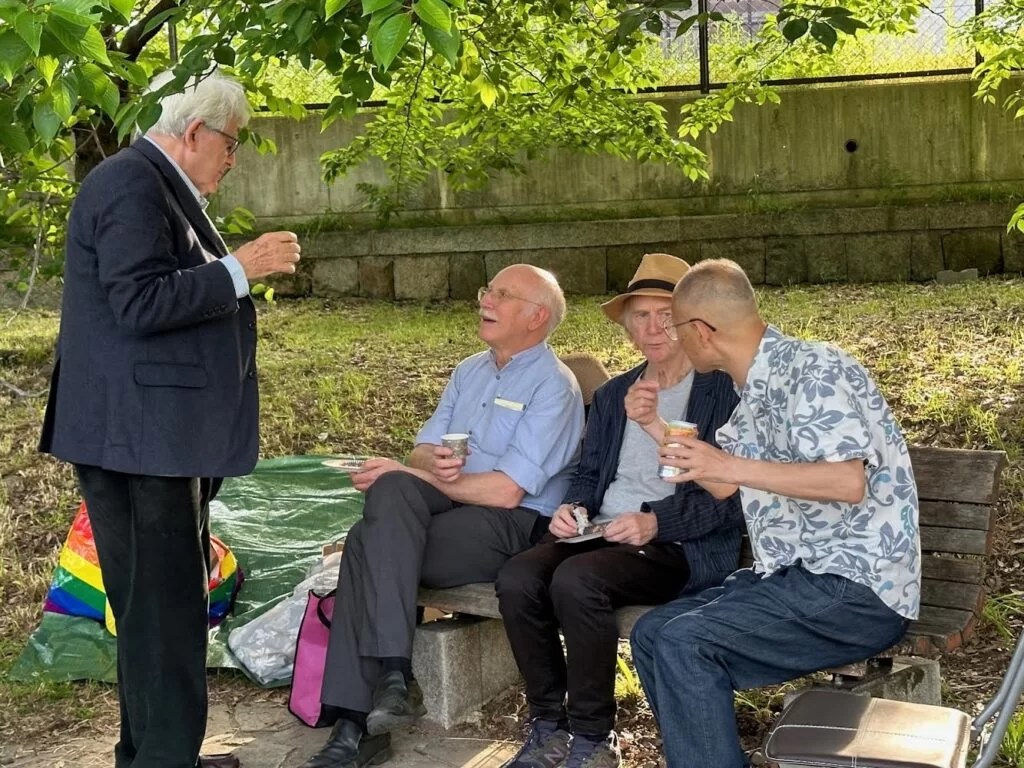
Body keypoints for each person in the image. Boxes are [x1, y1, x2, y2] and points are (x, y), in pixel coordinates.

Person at [38, 68, 302, 768]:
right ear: (194, 132)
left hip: (146, 436)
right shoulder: (132, 184)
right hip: (140, 441)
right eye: (232, 142)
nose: (234, 157)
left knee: (155, 612)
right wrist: (240, 269)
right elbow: (140, 302)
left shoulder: (150, 182)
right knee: (166, 613)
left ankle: (153, 753)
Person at [630, 258, 921, 768]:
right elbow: (723, 484)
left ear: (701, 331)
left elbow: (846, 482)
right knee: (653, 634)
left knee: (685, 643)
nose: (671, 338)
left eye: (675, 327)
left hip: (858, 589)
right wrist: (657, 426)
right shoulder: (751, 394)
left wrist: (729, 461)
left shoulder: (815, 371)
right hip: (796, 579)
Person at [300, 264, 585, 768]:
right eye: (487, 290)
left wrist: (430, 477)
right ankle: (391, 678)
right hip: (448, 509)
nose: (486, 300)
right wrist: (430, 466)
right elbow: (419, 455)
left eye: (502, 294)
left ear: (537, 316)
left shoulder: (554, 386)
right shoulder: (469, 370)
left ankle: (358, 719)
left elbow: (505, 491)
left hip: (512, 524)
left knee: (365, 545)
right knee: (389, 492)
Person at [494, 253, 744, 768]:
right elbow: (589, 474)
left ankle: (593, 736)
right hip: (602, 534)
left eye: (664, 315)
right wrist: (573, 507)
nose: (653, 328)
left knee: (577, 581)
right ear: (628, 326)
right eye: (640, 316)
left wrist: (656, 522)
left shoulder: (723, 392)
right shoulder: (612, 395)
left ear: (690, 323)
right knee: (518, 576)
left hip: (676, 544)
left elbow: (732, 500)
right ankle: (549, 726)